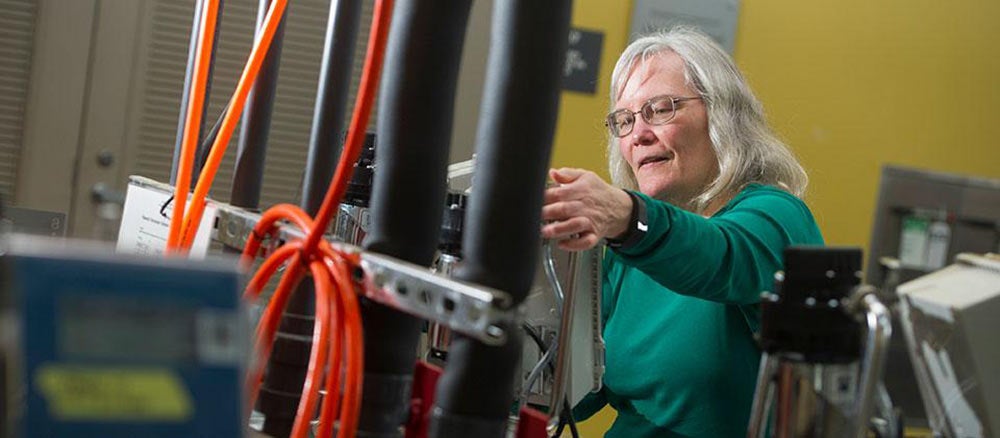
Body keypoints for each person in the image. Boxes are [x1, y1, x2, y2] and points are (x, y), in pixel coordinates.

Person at [541, 27, 824, 437]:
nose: (638, 134)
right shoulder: (630, 248)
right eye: (624, 119)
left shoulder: (777, 216)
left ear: (722, 114)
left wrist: (627, 217)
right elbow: (575, 395)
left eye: (659, 109)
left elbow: (721, 258)